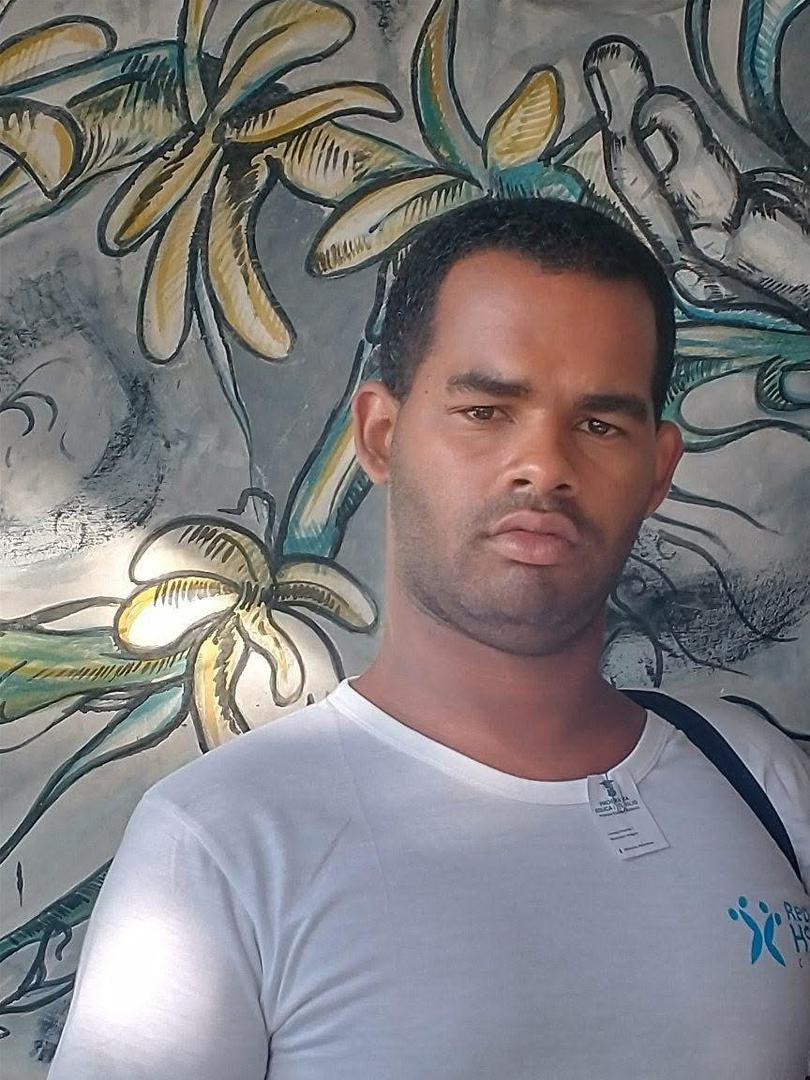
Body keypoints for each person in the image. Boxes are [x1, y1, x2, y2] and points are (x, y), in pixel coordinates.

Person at [48, 198, 810, 1080]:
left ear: (657, 472)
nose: (545, 464)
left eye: (600, 424)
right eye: (486, 411)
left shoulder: (757, 780)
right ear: (381, 436)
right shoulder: (220, 842)